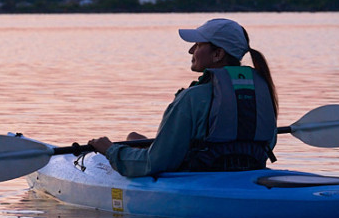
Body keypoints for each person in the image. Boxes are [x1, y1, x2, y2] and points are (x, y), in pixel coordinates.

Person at [89, 18, 278, 177]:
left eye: (198, 45)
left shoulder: (192, 98)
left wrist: (110, 150)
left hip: (199, 176)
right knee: (134, 138)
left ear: (218, 54)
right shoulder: (262, 91)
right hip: (248, 173)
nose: (191, 50)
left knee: (133, 143)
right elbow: (269, 143)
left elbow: (155, 163)